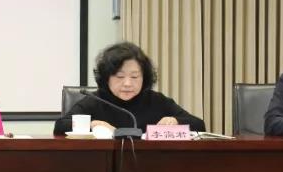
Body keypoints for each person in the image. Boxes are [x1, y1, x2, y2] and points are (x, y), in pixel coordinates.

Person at [54, 42, 205, 135]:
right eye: (120, 76)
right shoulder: (95, 100)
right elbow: (60, 125)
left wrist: (175, 121)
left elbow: (199, 125)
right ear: (106, 77)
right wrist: (93, 124)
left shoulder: (156, 100)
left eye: (134, 76)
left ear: (144, 77)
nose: (127, 83)